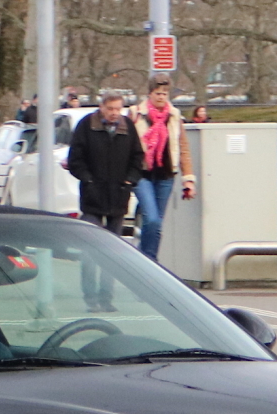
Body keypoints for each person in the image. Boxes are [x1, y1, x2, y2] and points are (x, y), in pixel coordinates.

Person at [65, 91, 142, 307]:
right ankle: (90, 298)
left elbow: (138, 157)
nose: (115, 113)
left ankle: (107, 297)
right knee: (90, 251)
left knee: (112, 253)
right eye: (111, 109)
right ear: (102, 107)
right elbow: (75, 159)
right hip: (93, 198)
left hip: (118, 197)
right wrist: (88, 179)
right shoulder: (87, 126)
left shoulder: (128, 127)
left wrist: (129, 180)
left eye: (118, 109)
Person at [132, 81, 192, 259]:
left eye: (164, 93)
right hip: (142, 174)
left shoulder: (174, 116)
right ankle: (150, 260)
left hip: (166, 175)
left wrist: (188, 178)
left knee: (156, 224)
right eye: (157, 93)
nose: (161, 96)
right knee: (151, 219)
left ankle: (145, 260)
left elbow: (183, 148)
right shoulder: (137, 114)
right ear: (150, 94)